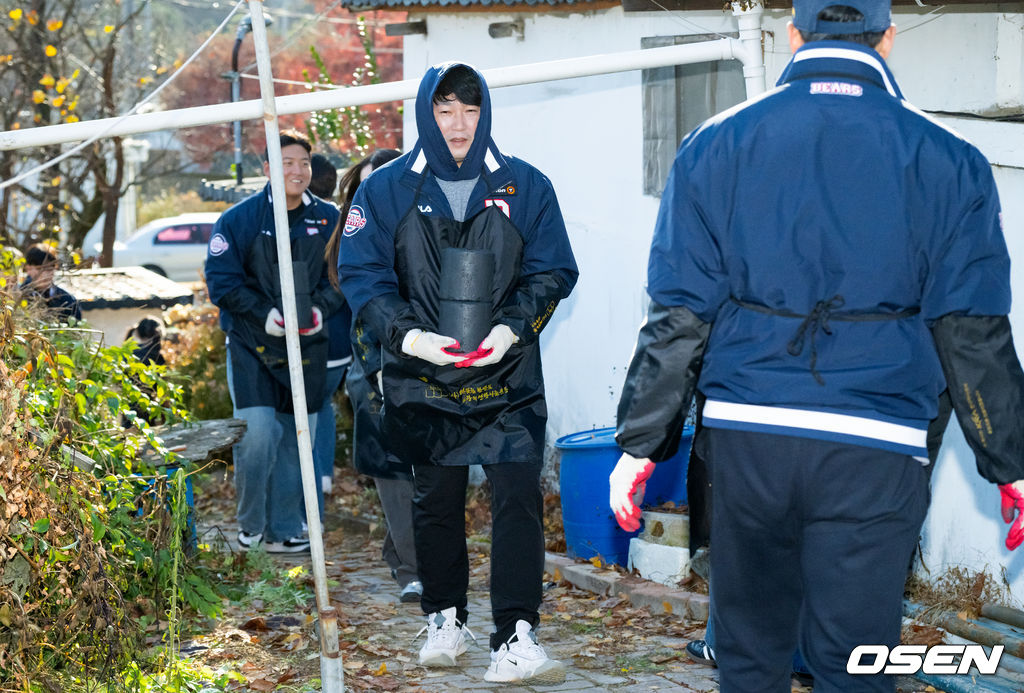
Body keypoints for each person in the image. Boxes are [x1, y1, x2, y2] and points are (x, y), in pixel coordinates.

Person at [609, 1, 1024, 690]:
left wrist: (636, 446)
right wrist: (1010, 461)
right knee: (855, 664)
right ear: (888, 36)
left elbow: (679, 316)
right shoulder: (951, 160)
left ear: (795, 34)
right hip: (876, 442)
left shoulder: (715, 142)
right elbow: (971, 329)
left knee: (748, 657)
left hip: (748, 442)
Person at [339, 63, 577, 684]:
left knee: (517, 501)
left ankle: (517, 633)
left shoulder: (525, 186)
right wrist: (409, 335)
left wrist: (513, 327)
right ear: (425, 114)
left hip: (508, 376)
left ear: (486, 112)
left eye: (470, 110)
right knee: (437, 502)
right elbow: (362, 277)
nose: (458, 124)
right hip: (424, 375)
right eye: (445, 110)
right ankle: (444, 615)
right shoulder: (386, 190)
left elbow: (553, 271)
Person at [205, 129, 343, 554]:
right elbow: (221, 282)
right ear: (267, 169)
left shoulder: (328, 218)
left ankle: (285, 529)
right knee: (260, 432)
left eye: (303, 162)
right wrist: (264, 315)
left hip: (309, 345)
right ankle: (250, 526)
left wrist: (320, 309)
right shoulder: (239, 220)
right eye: (286, 163)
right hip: (252, 344)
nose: (296, 171)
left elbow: (342, 275)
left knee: (297, 436)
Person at [326, 148, 423, 602]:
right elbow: (364, 315)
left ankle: (403, 554)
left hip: (429, 365)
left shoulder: (424, 225)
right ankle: (412, 572)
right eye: (369, 183)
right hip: (373, 368)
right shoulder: (354, 240)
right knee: (393, 470)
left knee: (426, 469)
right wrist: (378, 372)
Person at [308, 152, 349, 501]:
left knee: (313, 405)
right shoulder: (338, 217)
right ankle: (323, 474)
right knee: (322, 404)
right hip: (340, 343)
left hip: (323, 337)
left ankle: (316, 474)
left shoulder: (321, 221)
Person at [20, 243, 81, 322]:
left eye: (49, 269)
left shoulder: (68, 301)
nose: (46, 274)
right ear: (28, 269)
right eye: (40, 269)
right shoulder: (18, 297)